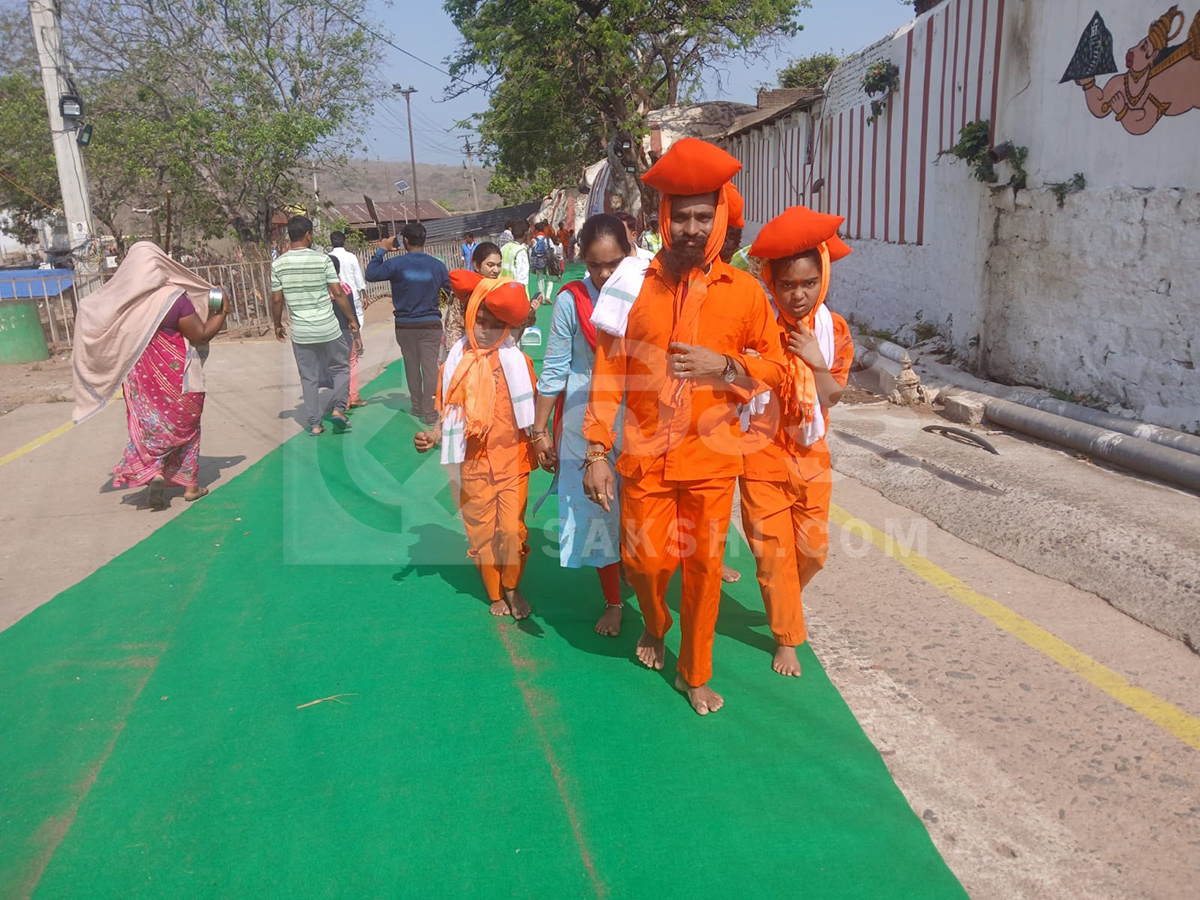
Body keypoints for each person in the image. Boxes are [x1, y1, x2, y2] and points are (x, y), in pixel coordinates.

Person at [583, 137, 787, 716]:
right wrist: (596, 448)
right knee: (646, 565)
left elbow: (772, 365)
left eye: (705, 216)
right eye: (683, 217)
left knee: (701, 570)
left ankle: (695, 671)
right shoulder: (630, 285)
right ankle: (655, 621)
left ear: (721, 218)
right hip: (644, 457)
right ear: (664, 220)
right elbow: (608, 372)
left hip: (712, 462)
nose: (693, 229)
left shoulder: (745, 292)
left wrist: (725, 366)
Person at [740, 206, 855, 677]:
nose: (799, 294)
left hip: (811, 453)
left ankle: (782, 593)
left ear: (822, 278)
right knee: (773, 555)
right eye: (787, 285)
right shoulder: (756, 326)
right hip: (760, 453)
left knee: (812, 552)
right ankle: (787, 635)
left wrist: (815, 360)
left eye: (808, 283)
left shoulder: (833, 331)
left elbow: (833, 397)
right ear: (771, 282)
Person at [414, 270, 537, 620]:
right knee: (482, 533)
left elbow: (533, 411)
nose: (485, 329)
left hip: (513, 459)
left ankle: (512, 586)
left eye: (494, 322)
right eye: (479, 320)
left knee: (512, 530)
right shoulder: (455, 364)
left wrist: (544, 440)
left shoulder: (518, 361)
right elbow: (447, 409)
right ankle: (495, 591)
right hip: (471, 463)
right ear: (468, 317)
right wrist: (435, 435)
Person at [531, 214, 631, 637]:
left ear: (629, 255)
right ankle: (613, 601)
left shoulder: (644, 292)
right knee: (599, 514)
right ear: (582, 261)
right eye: (594, 265)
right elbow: (554, 370)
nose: (605, 274)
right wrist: (538, 432)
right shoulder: (571, 301)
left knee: (644, 512)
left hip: (639, 416)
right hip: (584, 420)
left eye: (613, 263)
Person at [72, 242, 227, 509]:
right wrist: (221, 311)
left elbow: (92, 312)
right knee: (187, 429)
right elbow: (200, 334)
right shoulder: (173, 297)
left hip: (141, 379)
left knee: (148, 428)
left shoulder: (121, 303)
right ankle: (190, 486)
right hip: (179, 376)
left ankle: (154, 472)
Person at [271, 215, 358, 436]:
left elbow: (277, 299)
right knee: (340, 368)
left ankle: (315, 424)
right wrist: (351, 319)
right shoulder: (323, 260)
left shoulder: (278, 264)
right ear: (309, 234)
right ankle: (338, 410)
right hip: (328, 327)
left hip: (301, 333)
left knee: (308, 377)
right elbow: (338, 292)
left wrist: (277, 324)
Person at [366, 221, 451, 426]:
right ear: (424, 240)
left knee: (412, 366)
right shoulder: (437, 266)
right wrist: (436, 303)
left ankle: (416, 405)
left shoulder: (395, 264)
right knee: (430, 367)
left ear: (405, 241)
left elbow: (370, 274)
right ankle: (429, 411)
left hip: (405, 324)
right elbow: (448, 291)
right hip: (430, 323)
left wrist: (381, 250)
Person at [444, 241, 502, 359]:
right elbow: (453, 327)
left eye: (499, 265)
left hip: (496, 353)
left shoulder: (501, 290)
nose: (496, 270)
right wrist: (456, 358)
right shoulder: (464, 292)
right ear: (476, 265)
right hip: (469, 353)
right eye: (490, 265)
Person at [328, 254, 366, 409]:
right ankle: (352, 396)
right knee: (351, 362)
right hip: (345, 331)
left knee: (335, 366)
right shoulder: (345, 288)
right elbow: (352, 315)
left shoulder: (322, 292)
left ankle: (341, 400)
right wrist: (357, 336)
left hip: (329, 333)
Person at [328, 231, 367, 336]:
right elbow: (358, 277)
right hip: (352, 294)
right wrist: (364, 293)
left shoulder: (327, 258)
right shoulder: (351, 257)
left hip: (333, 295)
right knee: (358, 315)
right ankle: (356, 337)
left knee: (338, 318)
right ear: (344, 241)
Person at [529, 221, 554, 301]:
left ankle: (541, 296)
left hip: (537, 262)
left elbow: (530, 252)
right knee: (549, 278)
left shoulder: (533, 240)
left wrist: (532, 262)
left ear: (536, 230)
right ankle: (548, 296)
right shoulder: (547, 239)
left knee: (540, 279)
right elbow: (554, 250)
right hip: (547, 261)